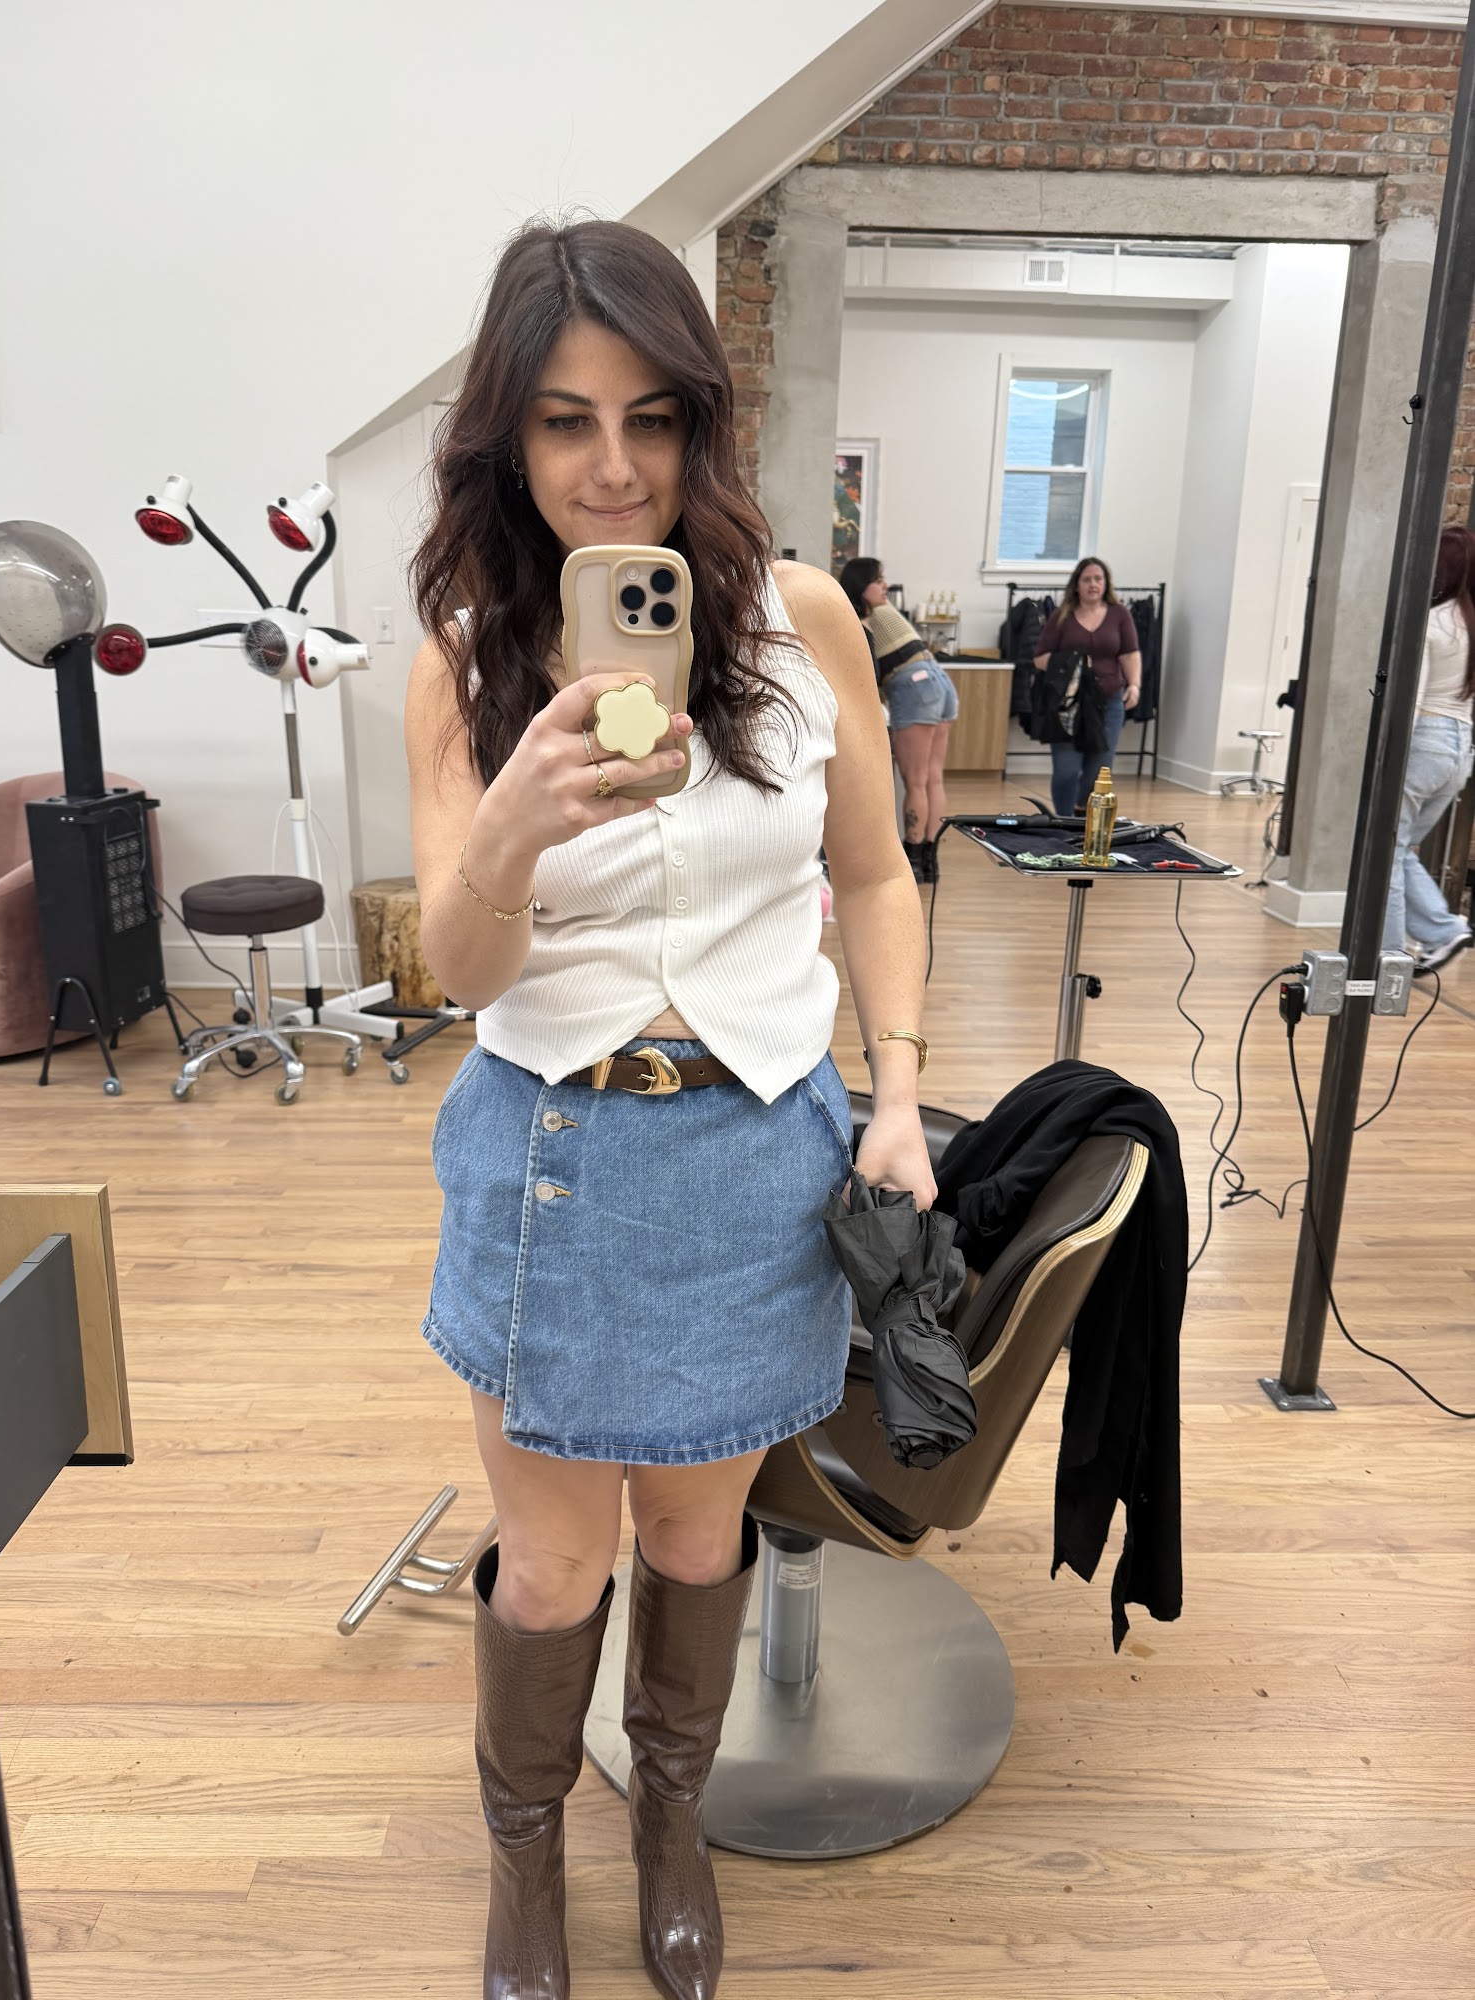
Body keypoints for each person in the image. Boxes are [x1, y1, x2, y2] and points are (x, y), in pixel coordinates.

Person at [404, 219, 936, 2000]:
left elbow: (877, 875)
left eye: (650, 416)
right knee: (557, 1569)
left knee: (701, 1536)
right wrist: (510, 825)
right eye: (566, 421)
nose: (613, 466)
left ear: (704, 421)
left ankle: (674, 1822)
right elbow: (461, 975)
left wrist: (900, 1092)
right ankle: (526, 1860)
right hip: (555, 1146)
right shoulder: (465, 658)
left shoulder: (800, 622)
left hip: (756, 1148)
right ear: (508, 437)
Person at [1383, 523, 1475, 975]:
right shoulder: (1469, 624)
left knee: (1386, 850)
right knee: (1399, 848)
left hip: (1425, 742)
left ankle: (1390, 958)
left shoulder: (1432, 622)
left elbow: (1411, 700)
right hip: (1461, 750)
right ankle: (1443, 931)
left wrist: (1386, 755)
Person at [838, 555, 959, 882]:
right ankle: (931, 862)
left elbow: (867, 673)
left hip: (915, 685)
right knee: (933, 779)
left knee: (915, 782)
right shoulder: (883, 612)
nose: (885, 586)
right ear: (861, 585)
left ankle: (914, 858)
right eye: (878, 581)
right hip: (940, 682)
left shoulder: (862, 616)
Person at [1033, 556, 1142, 816]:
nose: (1093, 584)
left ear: (1106, 583)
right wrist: (1073, 662)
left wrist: (1134, 685)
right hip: (1068, 704)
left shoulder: (1119, 614)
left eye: (1098, 579)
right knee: (1066, 770)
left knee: (1100, 769)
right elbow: (1039, 658)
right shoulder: (1061, 616)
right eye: (1087, 579)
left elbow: (1130, 653)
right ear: (1077, 585)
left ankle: (1082, 812)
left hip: (1108, 702)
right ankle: (1063, 821)